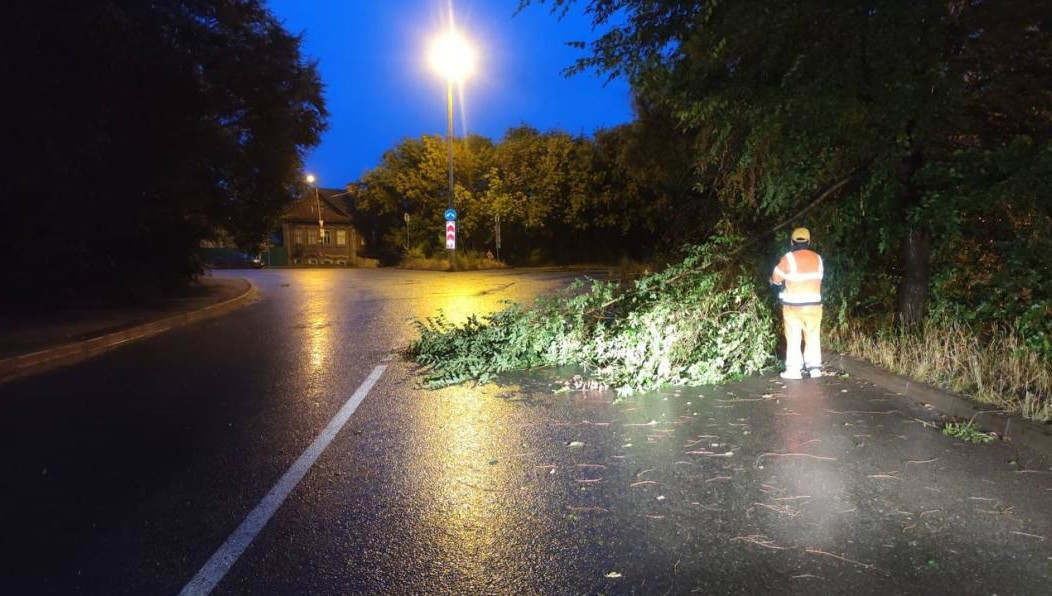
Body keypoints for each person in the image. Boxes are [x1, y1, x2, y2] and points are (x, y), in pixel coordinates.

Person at [770, 227, 824, 380]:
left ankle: (794, 370)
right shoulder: (818, 258)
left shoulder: (789, 258)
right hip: (814, 305)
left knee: (793, 336)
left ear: (791, 242)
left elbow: (776, 278)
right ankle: (814, 368)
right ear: (809, 241)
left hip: (793, 307)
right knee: (813, 335)